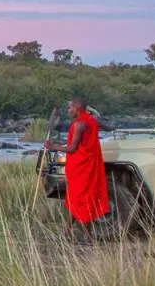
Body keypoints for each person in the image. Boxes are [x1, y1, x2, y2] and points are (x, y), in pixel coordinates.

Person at [45, 97, 109, 238]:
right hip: (89, 165)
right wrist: (113, 129)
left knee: (81, 199)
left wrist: (53, 147)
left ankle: (88, 236)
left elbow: (72, 148)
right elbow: (105, 127)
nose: (69, 111)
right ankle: (66, 232)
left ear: (77, 109)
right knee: (76, 198)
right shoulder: (92, 120)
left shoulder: (79, 125)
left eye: (70, 108)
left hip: (80, 167)